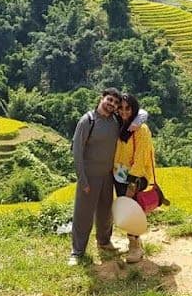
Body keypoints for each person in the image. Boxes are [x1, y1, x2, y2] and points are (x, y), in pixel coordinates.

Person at [68, 87, 147, 266]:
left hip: (108, 176)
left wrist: (139, 120)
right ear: (102, 98)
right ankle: (77, 251)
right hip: (89, 175)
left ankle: (104, 242)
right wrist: (82, 178)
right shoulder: (87, 120)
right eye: (109, 100)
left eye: (115, 103)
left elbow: (138, 112)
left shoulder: (115, 121)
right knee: (83, 214)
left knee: (105, 213)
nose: (112, 104)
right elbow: (77, 151)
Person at [113, 92, 161, 263]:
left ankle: (135, 248)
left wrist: (132, 183)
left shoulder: (141, 129)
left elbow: (141, 156)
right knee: (127, 211)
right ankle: (133, 243)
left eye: (128, 108)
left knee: (133, 210)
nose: (124, 111)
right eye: (121, 108)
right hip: (119, 175)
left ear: (134, 108)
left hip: (135, 176)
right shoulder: (119, 125)